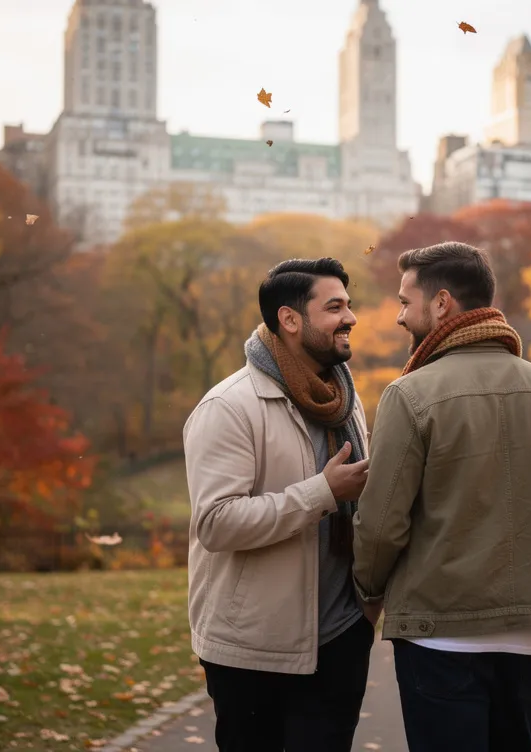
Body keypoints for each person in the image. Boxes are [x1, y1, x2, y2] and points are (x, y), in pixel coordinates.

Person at [352, 242, 531, 752]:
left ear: (442, 303)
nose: (400, 316)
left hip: (439, 633)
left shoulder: (410, 395)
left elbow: (382, 524)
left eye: (406, 302)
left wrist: (367, 593)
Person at [183, 258, 375, 752]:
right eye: (334, 307)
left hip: (341, 637)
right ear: (290, 320)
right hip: (253, 649)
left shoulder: (345, 400)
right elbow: (216, 523)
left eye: (348, 305)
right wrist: (323, 492)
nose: (350, 317)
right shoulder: (228, 407)